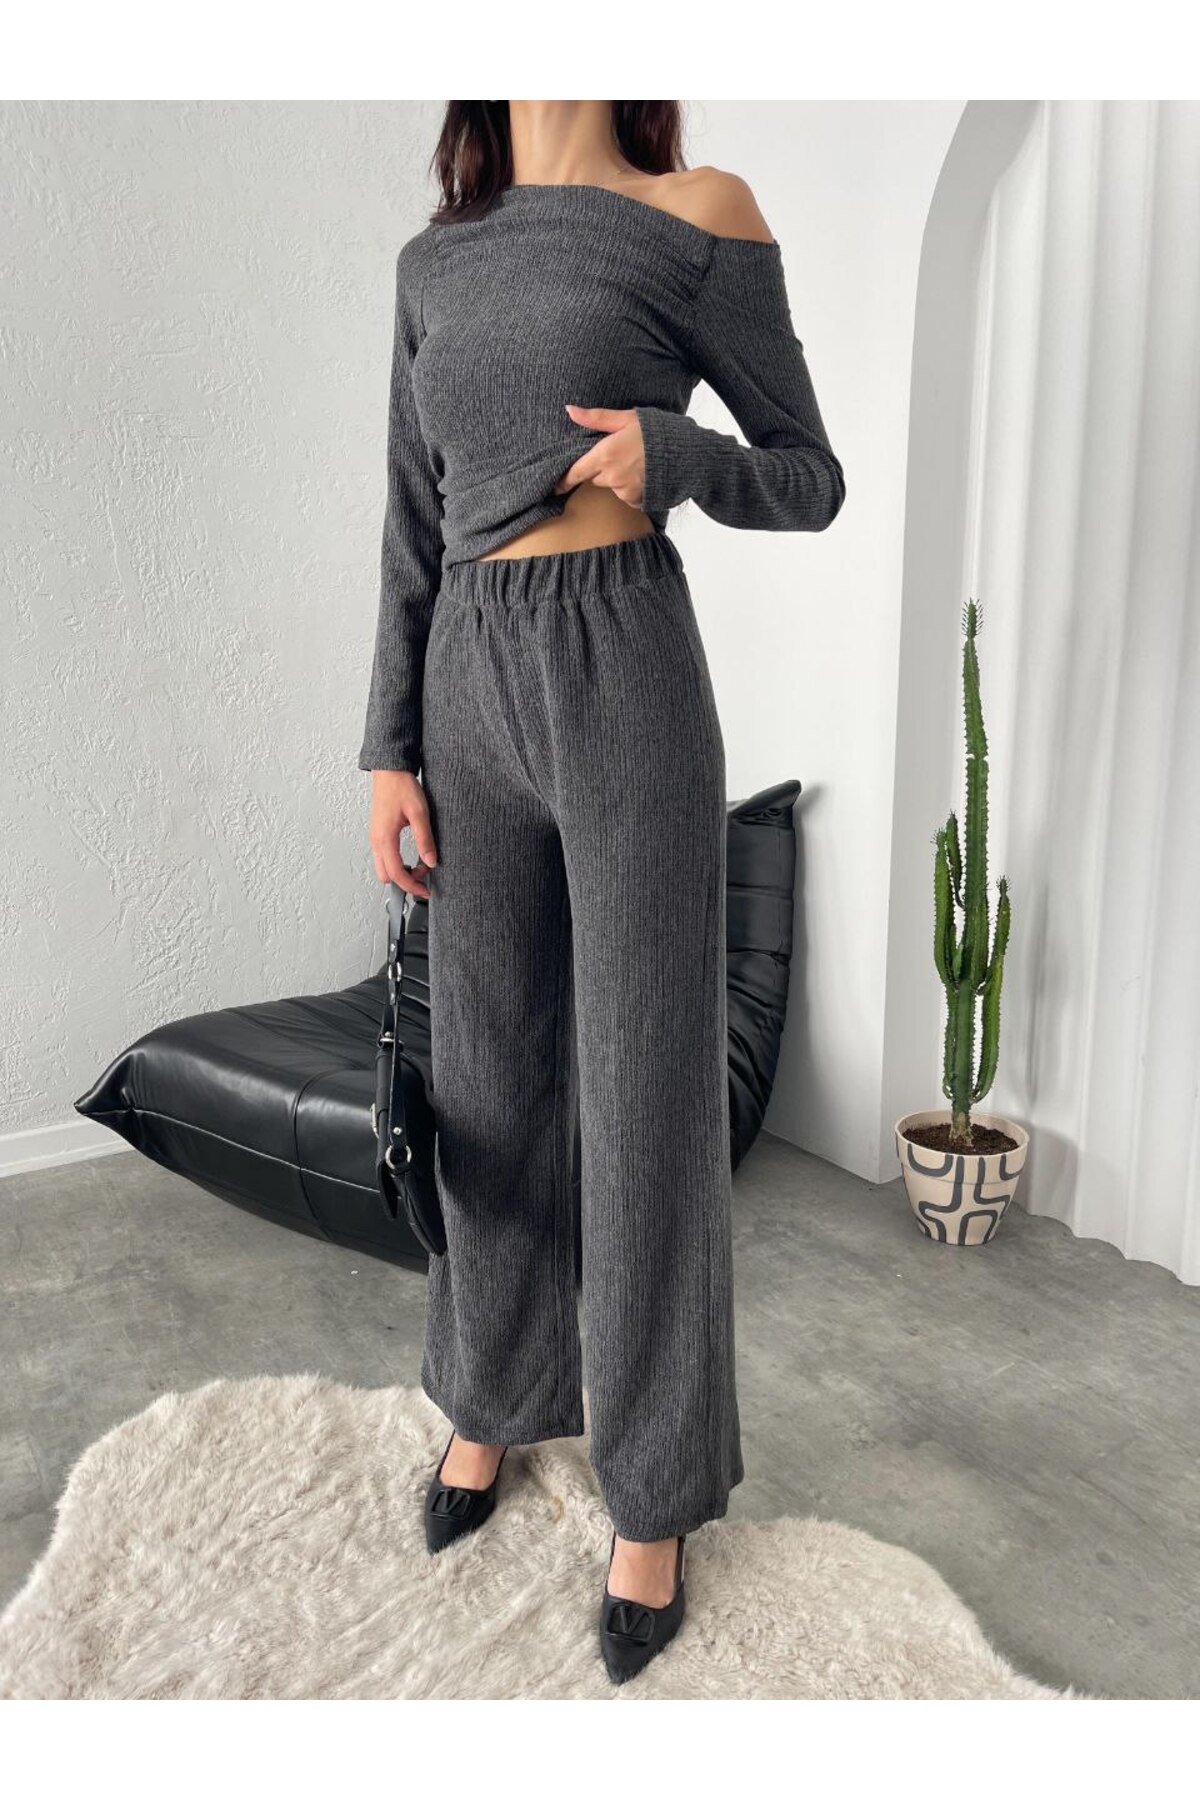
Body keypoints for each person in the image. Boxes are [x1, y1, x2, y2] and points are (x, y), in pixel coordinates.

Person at [359, 99, 845, 1685]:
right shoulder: (437, 261)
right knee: (486, 1078)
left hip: (623, 657)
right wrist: (388, 749)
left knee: (644, 1095)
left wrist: (677, 457)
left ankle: (656, 1490)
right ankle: (491, 1400)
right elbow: (411, 516)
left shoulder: (701, 213)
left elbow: (810, 476)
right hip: (467, 675)